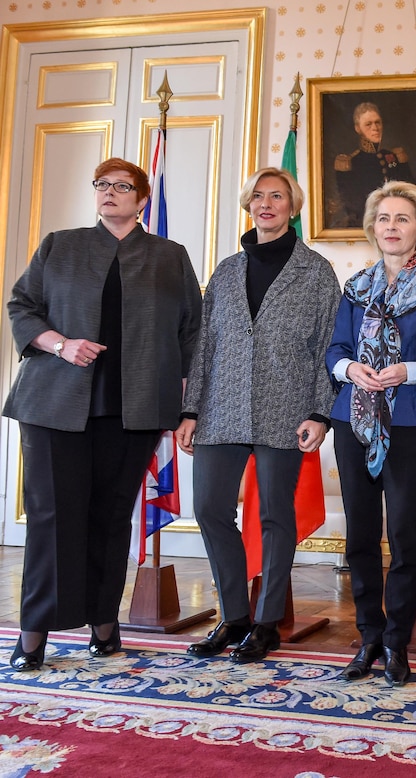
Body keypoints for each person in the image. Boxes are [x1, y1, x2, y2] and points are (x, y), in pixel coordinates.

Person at [4, 158, 202, 670]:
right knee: (51, 519)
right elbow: (22, 305)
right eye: (102, 185)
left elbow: (191, 334)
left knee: (111, 518)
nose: (109, 193)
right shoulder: (59, 244)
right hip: (53, 407)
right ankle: (34, 634)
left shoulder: (169, 256)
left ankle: (104, 622)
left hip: (132, 410)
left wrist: (188, 407)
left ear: (142, 199)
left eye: (122, 186)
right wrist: (60, 344)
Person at [176, 167, 341, 663]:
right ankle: (234, 616)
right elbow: (205, 344)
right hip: (220, 407)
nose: (266, 204)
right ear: (248, 206)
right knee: (208, 508)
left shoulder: (317, 271)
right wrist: (190, 410)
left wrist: (320, 411)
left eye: (278, 196)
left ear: (293, 207)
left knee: (274, 514)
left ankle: (266, 622)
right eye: (258, 196)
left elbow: (328, 347)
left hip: (286, 408)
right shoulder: (226, 270)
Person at [326, 181, 416, 685]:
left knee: (404, 539)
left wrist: (411, 371)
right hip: (353, 420)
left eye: (402, 219)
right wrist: (348, 369)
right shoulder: (354, 288)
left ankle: (397, 644)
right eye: (383, 218)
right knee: (360, 537)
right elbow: (334, 349)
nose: (391, 227)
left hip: (411, 422)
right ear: (373, 228)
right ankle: (368, 638)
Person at [334, 102, 416, 226]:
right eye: (368, 124)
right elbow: (351, 204)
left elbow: (410, 190)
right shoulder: (349, 162)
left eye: (377, 122)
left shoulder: (395, 156)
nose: (375, 128)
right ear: (358, 128)